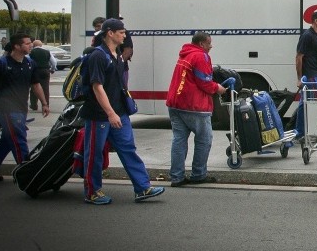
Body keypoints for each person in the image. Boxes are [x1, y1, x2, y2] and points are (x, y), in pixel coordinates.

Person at [80, 18, 164, 204]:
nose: (125, 35)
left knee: (128, 149)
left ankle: (143, 188)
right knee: (94, 153)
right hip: (100, 115)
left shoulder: (116, 53)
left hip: (119, 112)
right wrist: (110, 113)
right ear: (110, 33)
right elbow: (97, 87)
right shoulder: (98, 56)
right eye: (122, 32)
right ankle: (92, 192)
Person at [0, 33, 50, 182]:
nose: (30, 45)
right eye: (26, 43)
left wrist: (44, 103)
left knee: (6, 141)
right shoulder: (1, 65)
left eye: (31, 43)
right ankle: (27, 175)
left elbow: (36, 85)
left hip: (21, 109)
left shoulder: (30, 63)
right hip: (7, 110)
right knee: (19, 140)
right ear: (17, 46)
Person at [166, 32, 227, 187]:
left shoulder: (185, 54)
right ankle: (198, 174)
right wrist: (218, 88)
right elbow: (204, 82)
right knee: (204, 140)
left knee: (179, 140)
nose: (211, 46)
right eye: (209, 43)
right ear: (201, 44)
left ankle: (177, 177)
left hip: (175, 103)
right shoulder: (201, 56)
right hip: (194, 105)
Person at [294, 10, 317, 142]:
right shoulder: (307, 36)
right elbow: (299, 57)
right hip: (310, 75)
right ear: (315, 21)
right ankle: (310, 132)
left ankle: (299, 132)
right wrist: (300, 78)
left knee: (304, 103)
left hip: (316, 73)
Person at [28, 40, 53, 112]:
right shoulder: (47, 52)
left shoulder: (31, 52)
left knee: (34, 87)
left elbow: (28, 61)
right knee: (45, 88)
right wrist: (52, 69)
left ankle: (34, 105)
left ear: (33, 45)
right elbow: (53, 62)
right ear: (41, 45)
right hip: (45, 71)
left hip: (35, 71)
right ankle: (46, 105)